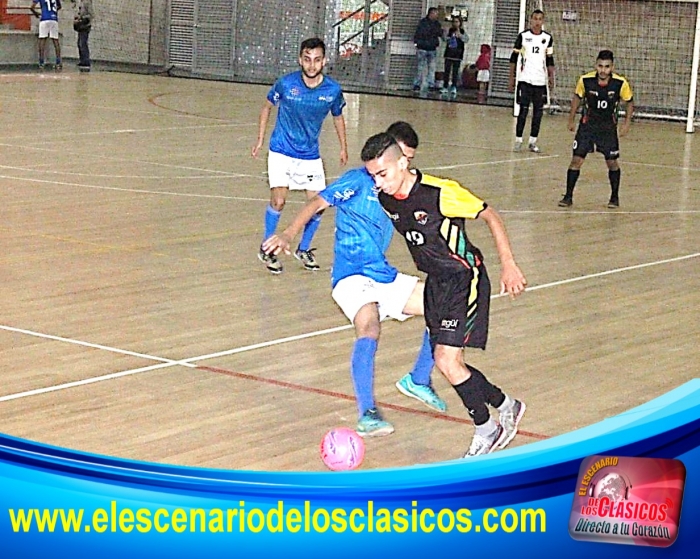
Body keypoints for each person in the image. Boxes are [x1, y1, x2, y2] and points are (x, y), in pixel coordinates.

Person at [262, 122, 446, 437]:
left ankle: (418, 379)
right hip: (350, 275)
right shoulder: (357, 182)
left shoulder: (402, 189)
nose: (406, 164)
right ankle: (367, 413)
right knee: (369, 326)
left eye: (409, 160)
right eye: (402, 155)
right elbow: (316, 203)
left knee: (444, 307)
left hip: (382, 273)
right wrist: (289, 234)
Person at [362, 132, 528, 457]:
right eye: (373, 176)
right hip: (436, 282)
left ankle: (487, 428)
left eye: (383, 174)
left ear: (404, 162)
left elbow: (491, 215)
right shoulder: (385, 198)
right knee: (450, 363)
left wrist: (508, 264)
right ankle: (506, 405)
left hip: (465, 277)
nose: (378, 183)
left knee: (446, 360)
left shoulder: (441, 193)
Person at [251, 38, 348, 275]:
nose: (312, 65)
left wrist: (343, 146)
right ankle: (268, 248)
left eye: (317, 60)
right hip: (281, 150)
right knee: (278, 201)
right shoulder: (286, 84)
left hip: (309, 155)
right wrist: (261, 138)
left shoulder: (332, 90)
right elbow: (267, 106)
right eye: (307, 59)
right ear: (300, 60)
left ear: (324, 61)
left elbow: (337, 117)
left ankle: (303, 249)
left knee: (318, 205)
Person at [559, 50, 634, 209]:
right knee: (576, 160)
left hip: (607, 128)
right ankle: (568, 196)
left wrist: (627, 123)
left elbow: (629, 102)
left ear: (612, 67)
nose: (603, 70)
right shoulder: (585, 80)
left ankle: (614, 197)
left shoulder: (620, 83)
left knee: (612, 162)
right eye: (600, 66)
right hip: (587, 126)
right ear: (595, 65)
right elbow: (577, 98)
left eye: (607, 67)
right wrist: (571, 119)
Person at [508, 9, 554, 153]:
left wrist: (551, 78)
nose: (537, 22)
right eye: (535, 19)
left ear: (543, 21)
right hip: (525, 80)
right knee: (523, 110)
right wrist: (511, 78)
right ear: (531, 20)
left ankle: (533, 141)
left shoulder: (547, 38)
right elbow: (513, 58)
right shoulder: (523, 36)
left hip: (540, 81)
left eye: (540, 19)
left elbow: (549, 60)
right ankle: (518, 140)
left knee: (538, 113)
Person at [413, 7, 443, 93]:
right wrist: (418, 43)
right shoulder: (423, 23)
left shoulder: (437, 24)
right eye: (435, 13)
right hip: (422, 48)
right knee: (420, 67)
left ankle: (431, 85)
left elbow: (440, 33)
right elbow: (420, 33)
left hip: (432, 48)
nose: (437, 15)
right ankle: (417, 84)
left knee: (432, 68)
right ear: (431, 13)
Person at [31, 0, 62, 71]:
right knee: (55, 40)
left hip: (44, 18)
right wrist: (53, 12)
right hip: (54, 19)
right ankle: (58, 62)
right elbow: (59, 6)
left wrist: (36, 13)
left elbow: (32, 7)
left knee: (42, 39)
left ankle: (41, 62)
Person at [440, 16, 466, 97]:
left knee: (455, 72)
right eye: (454, 21)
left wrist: (460, 36)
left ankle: (454, 87)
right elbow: (444, 39)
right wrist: (448, 36)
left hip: (458, 55)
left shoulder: (462, 31)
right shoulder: (449, 30)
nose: (455, 23)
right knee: (446, 72)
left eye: (457, 22)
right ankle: (445, 86)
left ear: (460, 23)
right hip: (448, 54)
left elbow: (466, 39)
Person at [72, 0, 93, 71]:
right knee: (79, 43)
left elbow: (91, 15)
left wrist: (82, 19)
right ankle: (82, 60)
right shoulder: (81, 2)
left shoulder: (87, 2)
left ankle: (86, 61)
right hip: (81, 25)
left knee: (83, 43)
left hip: (85, 25)